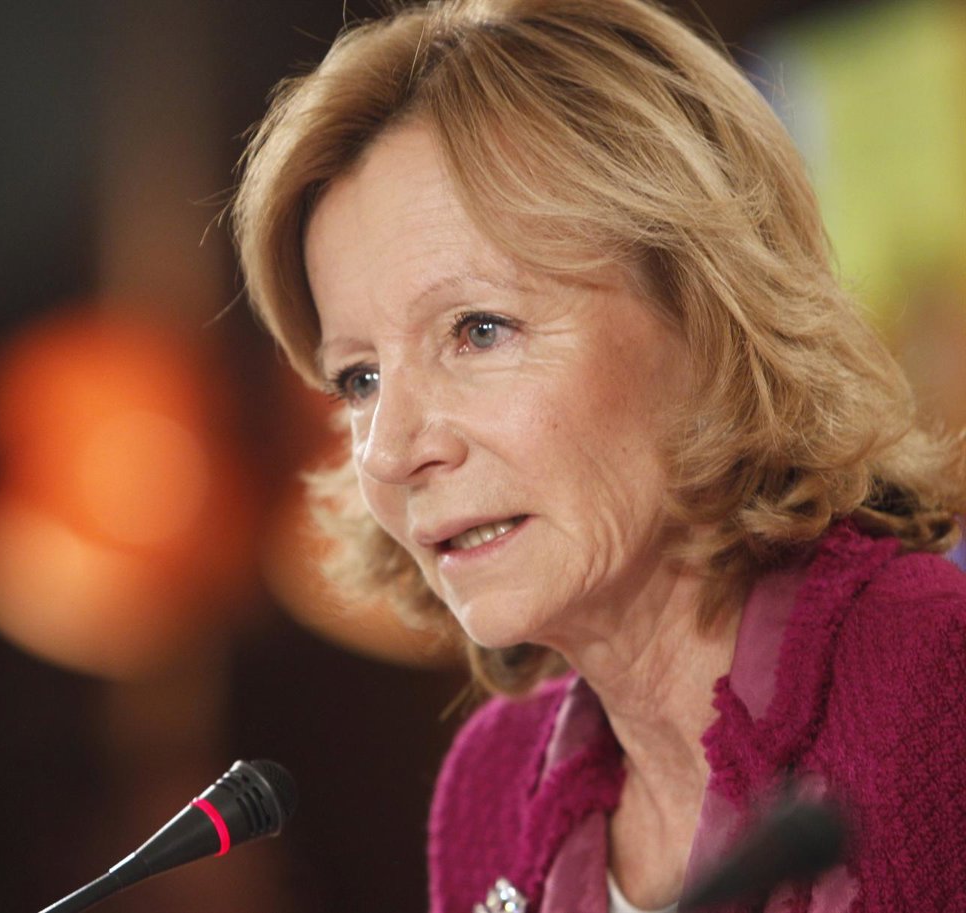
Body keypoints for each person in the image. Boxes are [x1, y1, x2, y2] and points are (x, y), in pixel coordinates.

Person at [230, 0, 966, 910]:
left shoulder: (940, 689)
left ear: (705, 313)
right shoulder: (493, 786)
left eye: (479, 329)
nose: (386, 452)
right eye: (359, 378)